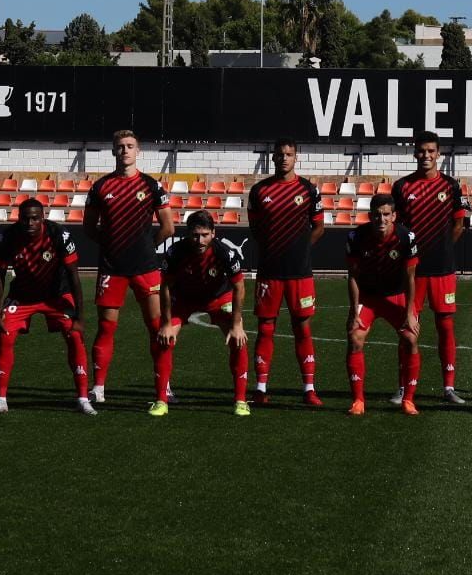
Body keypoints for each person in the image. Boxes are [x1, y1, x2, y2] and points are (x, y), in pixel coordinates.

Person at [84, 130, 174, 405]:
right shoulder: (100, 187)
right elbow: (89, 227)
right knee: (106, 327)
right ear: (113, 151)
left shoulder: (152, 186)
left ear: (138, 151)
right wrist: (113, 246)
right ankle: (98, 388)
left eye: (130, 146)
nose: (125, 151)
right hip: (112, 269)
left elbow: (168, 227)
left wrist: (146, 246)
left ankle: (165, 386)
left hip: (146, 268)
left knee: (158, 327)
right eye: (120, 146)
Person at [0, 198, 92, 416]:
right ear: (18, 218)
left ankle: (83, 398)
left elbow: (74, 276)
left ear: (43, 218)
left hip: (56, 295)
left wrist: (80, 318)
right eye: (25, 218)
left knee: (74, 336)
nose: (30, 223)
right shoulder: (7, 238)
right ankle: (0, 400)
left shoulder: (58, 235)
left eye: (35, 218)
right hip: (22, 296)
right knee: (5, 336)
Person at [392, 132, 470, 405]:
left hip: (442, 269)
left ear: (439, 154)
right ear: (415, 153)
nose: (426, 155)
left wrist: (443, 248)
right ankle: (403, 387)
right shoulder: (401, 187)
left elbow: (459, 224)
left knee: (445, 326)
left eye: (431, 151)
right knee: (408, 329)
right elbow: (396, 228)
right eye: (421, 151)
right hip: (412, 271)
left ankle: (448, 387)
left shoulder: (451, 186)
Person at [248, 137, 326, 406]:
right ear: (273, 158)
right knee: (265, 328)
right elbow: (255, 229)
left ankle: (309, 388)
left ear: (296, 157)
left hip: (299, 274)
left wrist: (300, 248)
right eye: (280, 154)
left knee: (302, 329)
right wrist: (275, 248)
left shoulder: (308, 190)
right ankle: (260, 388)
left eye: (289, 154)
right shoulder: (259, 191)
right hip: (269, 272)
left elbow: (318, 227)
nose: (284, 158)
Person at [156, 210, 250, 417]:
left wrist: (236, 325)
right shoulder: (175, 252)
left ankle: (241, 400)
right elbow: (165, 287)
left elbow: (239, 288)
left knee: (238, 340)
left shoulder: (225, 252)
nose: (200, 240)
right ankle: (161, 400)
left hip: (218, 297)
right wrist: (166, 323)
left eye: (205, 234)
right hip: (184, 299)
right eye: (196, 235)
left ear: (213, 233)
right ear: (188, 233)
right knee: (165, 340)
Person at [344, 193, 421, 417]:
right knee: (355, 337)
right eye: (377, 215)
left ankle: (408, 399)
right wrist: (353, 310)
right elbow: (353, 276)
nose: (382, 219)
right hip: (368, 297)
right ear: (370, 216)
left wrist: (410, 312)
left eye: (386, 215)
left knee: (411, 338)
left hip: (395, 295)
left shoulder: (406, 237)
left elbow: (410, 277)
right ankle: (358, 400)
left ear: (394, 216)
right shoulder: (356, 237)